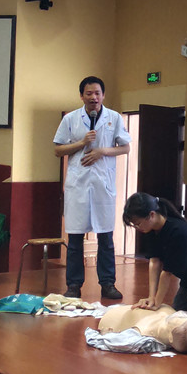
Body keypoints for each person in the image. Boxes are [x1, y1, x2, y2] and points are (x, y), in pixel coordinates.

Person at [53, 76, 130, 300]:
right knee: (75, 239)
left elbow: (125, 147)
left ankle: (108, 284)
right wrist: (82, 143)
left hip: (102, 186)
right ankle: (73, 285)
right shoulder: (70, 119)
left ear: (103, 95)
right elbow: (58, 150)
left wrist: (101, 151)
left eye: (97, 93)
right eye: (89, 93)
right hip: (78, 185)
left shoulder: (114, 117)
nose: (93, 97)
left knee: (105, 237)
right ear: (81, 96)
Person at [122, 193, 187, 314]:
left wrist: (156, 303)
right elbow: (154, 262)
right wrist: (151, 297)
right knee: (177, 315)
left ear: (151, 215)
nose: (137, 228)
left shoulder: (178, 231)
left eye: (138, 223)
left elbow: (167, 273)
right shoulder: (151, 230)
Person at [92, 303, 187, 353]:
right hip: (124, 310)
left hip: (113, 318)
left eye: (180, 318)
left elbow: (114, 341)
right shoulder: (168, 316)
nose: (181, 314)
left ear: (170, 336)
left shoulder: (145, 331)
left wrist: (106, 335)